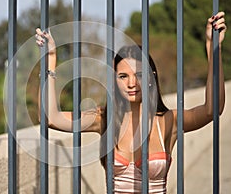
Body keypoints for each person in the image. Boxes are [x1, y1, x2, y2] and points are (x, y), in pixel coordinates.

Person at [35, 11, 227, 193]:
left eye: (139, 75)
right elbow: (50, 117)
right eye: (123, 76)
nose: (132, 83)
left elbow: (213, 109)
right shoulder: (104, 119)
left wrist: (213, 49)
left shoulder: (168, 121)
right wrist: (50, 62)